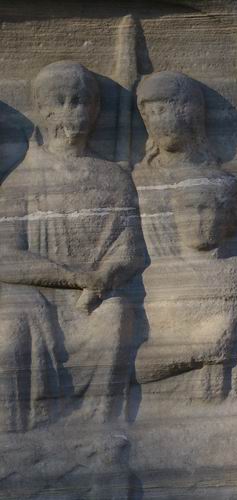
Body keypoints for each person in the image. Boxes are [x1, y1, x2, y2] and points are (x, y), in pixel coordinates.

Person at [0, 61, 146, 423]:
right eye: (60, 101)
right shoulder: (23, 179)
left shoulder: (115, 177)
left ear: (96, 109)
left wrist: (104, 277)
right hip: (39, 296)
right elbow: (5, 256)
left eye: (80, 101)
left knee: (116, 316)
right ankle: (21, 430)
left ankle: (101, 428)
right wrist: (71, 277)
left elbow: (130, 248)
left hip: (96, 296)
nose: (71, 111)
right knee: (13, 324)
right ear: (42, 109)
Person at [133, 71, 237, 403]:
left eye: (165, 109)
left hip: (209, 281)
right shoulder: (138, 180)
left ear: (191, 111)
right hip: (159, 295)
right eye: (150, 113)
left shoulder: (223, 182)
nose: (157, 121)